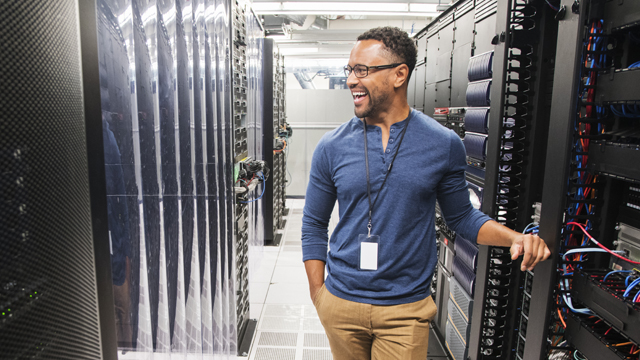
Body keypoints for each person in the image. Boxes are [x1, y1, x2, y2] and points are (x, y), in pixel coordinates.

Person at [301, 26, 551, 360]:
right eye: (350, 70)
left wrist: (514, 238)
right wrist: (320, 296)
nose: (351, 80)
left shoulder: (442, 143)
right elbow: (313, 224)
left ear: (399, 74)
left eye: (362, 70)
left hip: (404, 309)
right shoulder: (331, 147)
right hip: (342, 301)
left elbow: (462, 217)